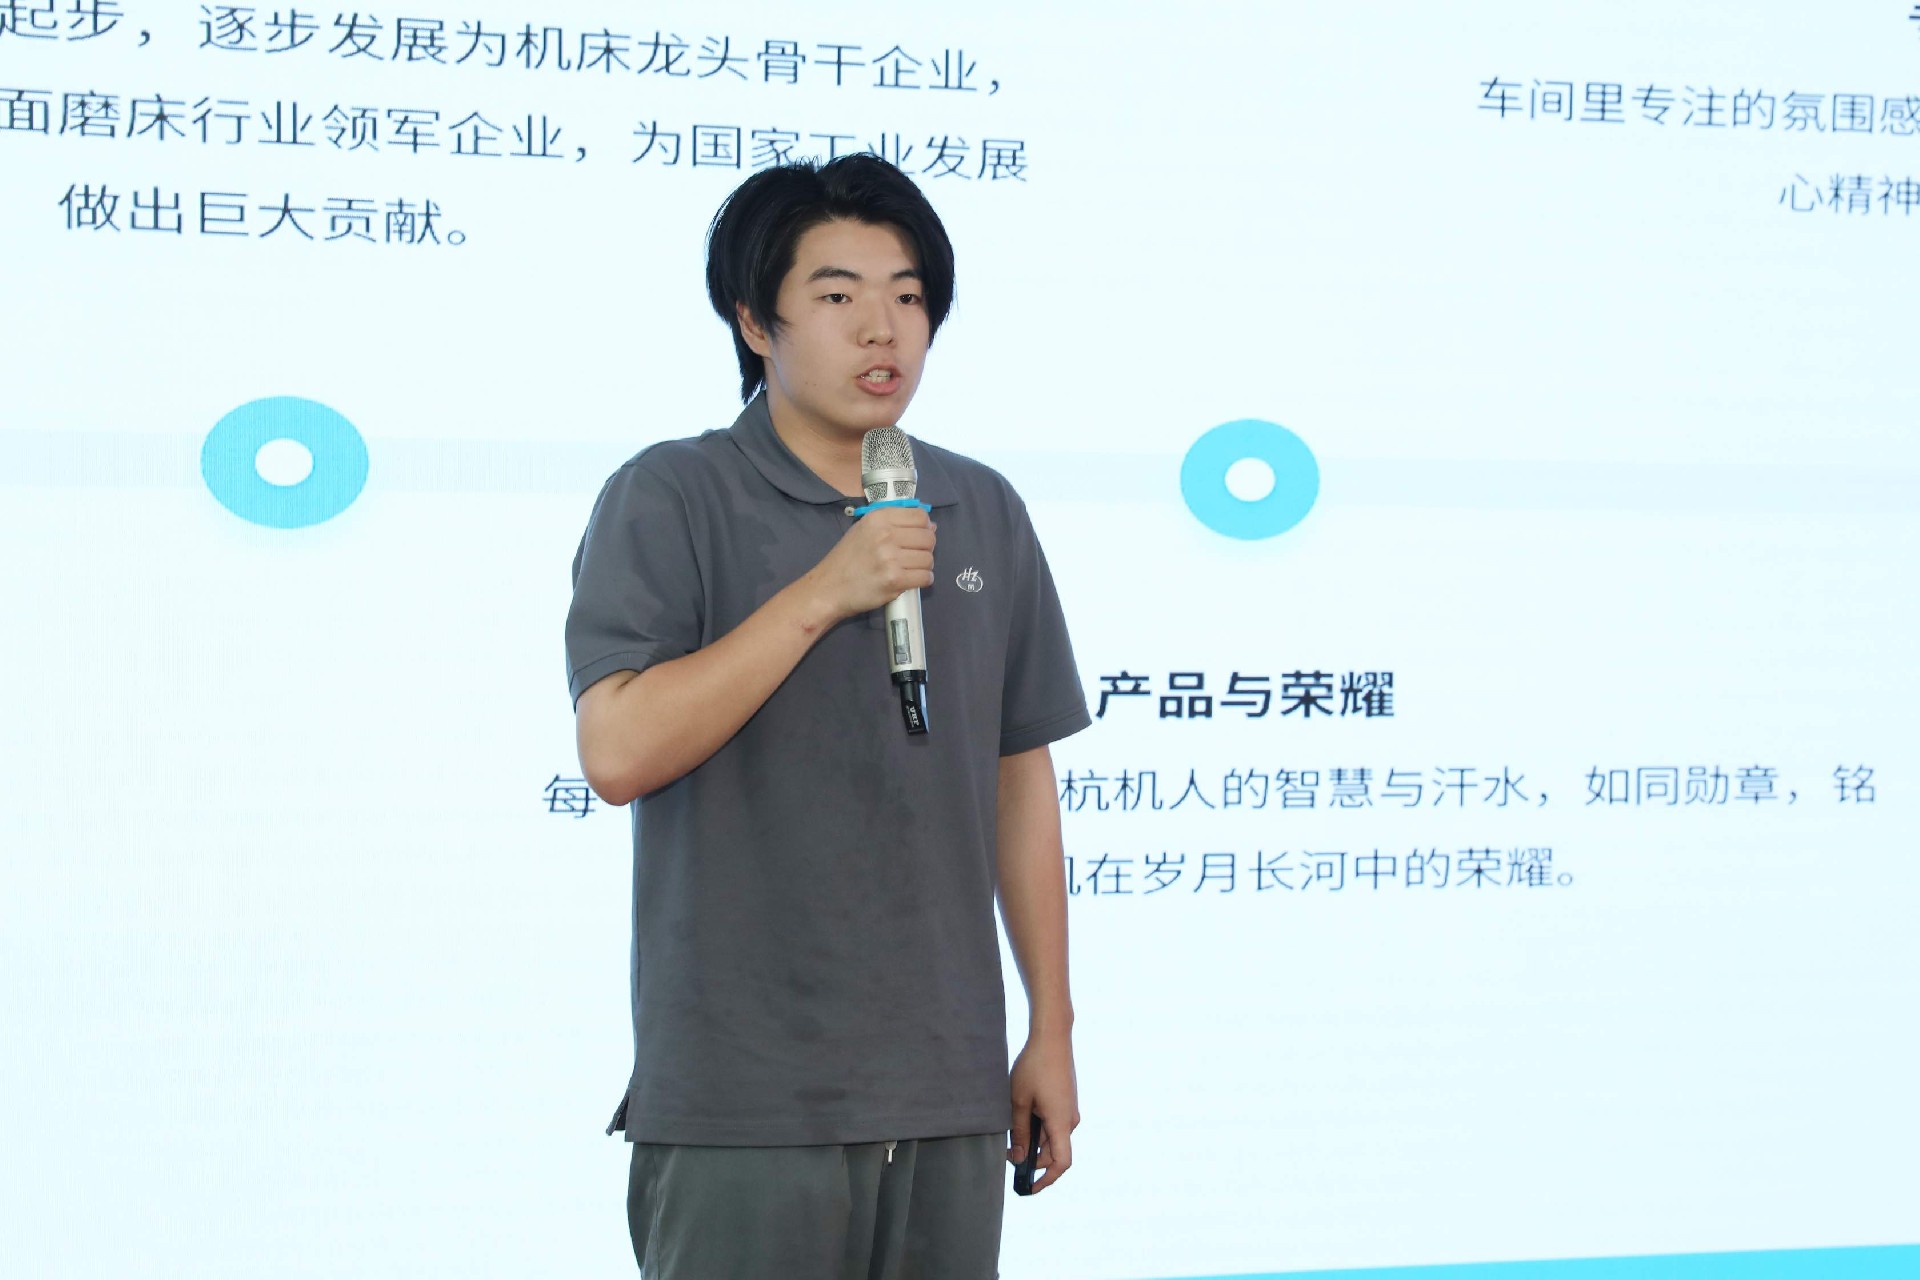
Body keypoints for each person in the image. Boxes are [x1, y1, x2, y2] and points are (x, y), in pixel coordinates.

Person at [564, 153, 1088, 1277]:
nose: (882, 330)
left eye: (909, 296)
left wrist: (1049, 1026)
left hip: (948, 1086)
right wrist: (825, 592)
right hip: (747, 1098)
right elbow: (617, 750)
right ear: (755, 321)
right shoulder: (673, 493)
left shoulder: (982, 504)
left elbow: (1017, 777)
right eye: (839, 295)